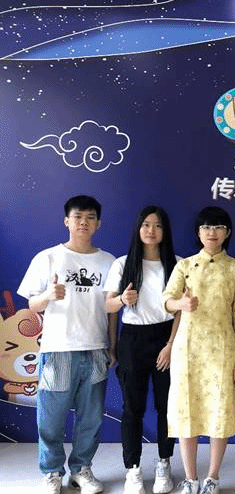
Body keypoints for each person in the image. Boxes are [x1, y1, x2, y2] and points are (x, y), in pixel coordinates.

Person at [17, 195, 116, 494]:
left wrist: (112, 345)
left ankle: (81, 470)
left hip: (95, 348)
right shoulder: (47, 257)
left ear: (98, 223)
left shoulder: (109, 261)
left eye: (90, 217)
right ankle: (51, 472)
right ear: (67, 221)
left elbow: (111, 309)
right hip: (58, 349)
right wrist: (48, 295)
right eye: (77, 217)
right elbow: (32, 304)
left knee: (91, 418)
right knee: (51, 417)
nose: (83, 222)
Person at [163, 206, 235, 494]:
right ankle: (191, 478)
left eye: (218, 227)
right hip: (187, 351)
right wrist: (181, 304)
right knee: (186, 412)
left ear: (227, 232)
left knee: (219, 413)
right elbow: (167, 299)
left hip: (222, 351)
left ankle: (212, 477)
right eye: (206, 227)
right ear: (198, 232)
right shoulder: (185, 266)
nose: (212, 232)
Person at [104, 206, 179, 494]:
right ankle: (133, 469)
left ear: (165, 231)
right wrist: (122, 300)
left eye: (158, 225)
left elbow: (182, 311)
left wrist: (170, 345)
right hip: (133, 339)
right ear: (138, 228)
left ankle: (164, 463)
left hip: (166, 337)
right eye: (146, 224)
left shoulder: (176, 264)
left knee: (166, 407)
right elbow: (108, 305)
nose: (151, 230)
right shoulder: (123, 264)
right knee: (132, 408)